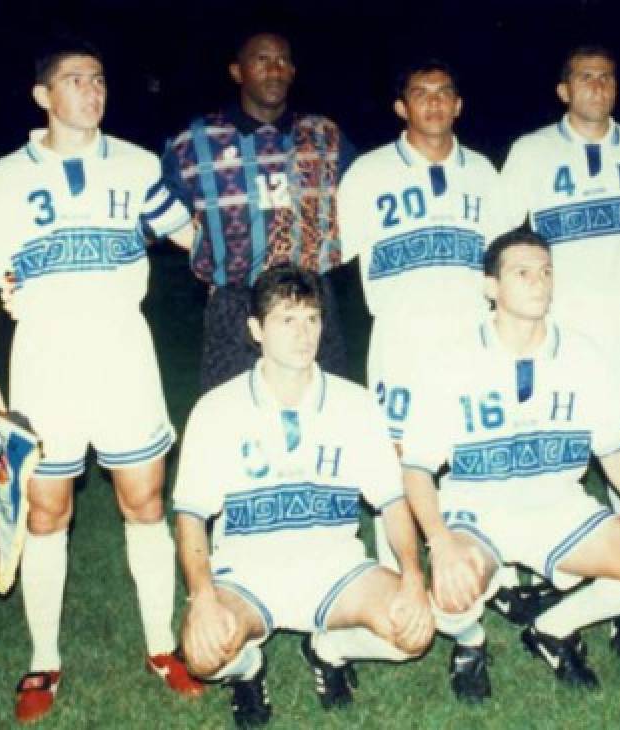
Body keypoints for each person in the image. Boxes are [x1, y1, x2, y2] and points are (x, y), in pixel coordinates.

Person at [0, 39, 202, 723]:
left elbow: (194, 234)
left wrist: (250, 223)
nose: (92, 91)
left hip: (125, 350)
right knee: (47, 510)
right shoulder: (8, 176)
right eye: (74, 80)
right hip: (44, 358)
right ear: (43, 96)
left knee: (145, 500)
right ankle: (43, 658)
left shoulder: (135, 163)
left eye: (98, 79)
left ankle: (161, 644)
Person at [400, 231, 620, 702]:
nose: (539, 282)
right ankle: (471, 643)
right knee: (453, 591)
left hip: (560, 507)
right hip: (479, 509)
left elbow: (611, 452)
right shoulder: (450, 359)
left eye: (546, 271)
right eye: (523, 272)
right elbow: (416, 469)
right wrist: (440, 542)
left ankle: (552, 629)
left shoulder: (582, 354)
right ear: (490, 287)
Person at [173, 265, 433, 727]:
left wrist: (412, 576)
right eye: (287, 320)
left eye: (312, 319)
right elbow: (191, 516)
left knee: (414, 632)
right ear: (256, 330)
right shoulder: (217, 409)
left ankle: (328, 649)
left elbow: (392, 503)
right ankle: (249, 669)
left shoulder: (355, 404)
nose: (303, 333)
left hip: (336, 568)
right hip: (247, 573)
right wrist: (204, 596)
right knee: (201, 655)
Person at [497, 45, 620, 625]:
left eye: (608, 78)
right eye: (586, 78)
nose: (598, 87)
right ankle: (520, 563)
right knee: (550, 428)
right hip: (559, 311)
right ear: (564, 90)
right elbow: (502, 233)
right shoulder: (532, 150)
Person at [162, 30, 354, 393]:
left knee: (326, 412)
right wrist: (209, 249)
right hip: (238, 301)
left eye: (282, 61)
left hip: (310, 300)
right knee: (231, 419)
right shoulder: (196, 141)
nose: (274, 70)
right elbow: (159, 212)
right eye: (261, 60)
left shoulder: (323, 135)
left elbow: (363, 197)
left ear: (293, 71)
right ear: (237, 71)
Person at [336, 59, 502, 447]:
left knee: (472, 444)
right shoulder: (367, 172)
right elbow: (335, 250)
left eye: (444, 93)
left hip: (471, 330)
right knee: (399, 448)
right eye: (420, 94)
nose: (434, 103)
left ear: (458, 105)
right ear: (401, 107)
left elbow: (502, 260)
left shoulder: (482, 172)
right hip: (402, 335)